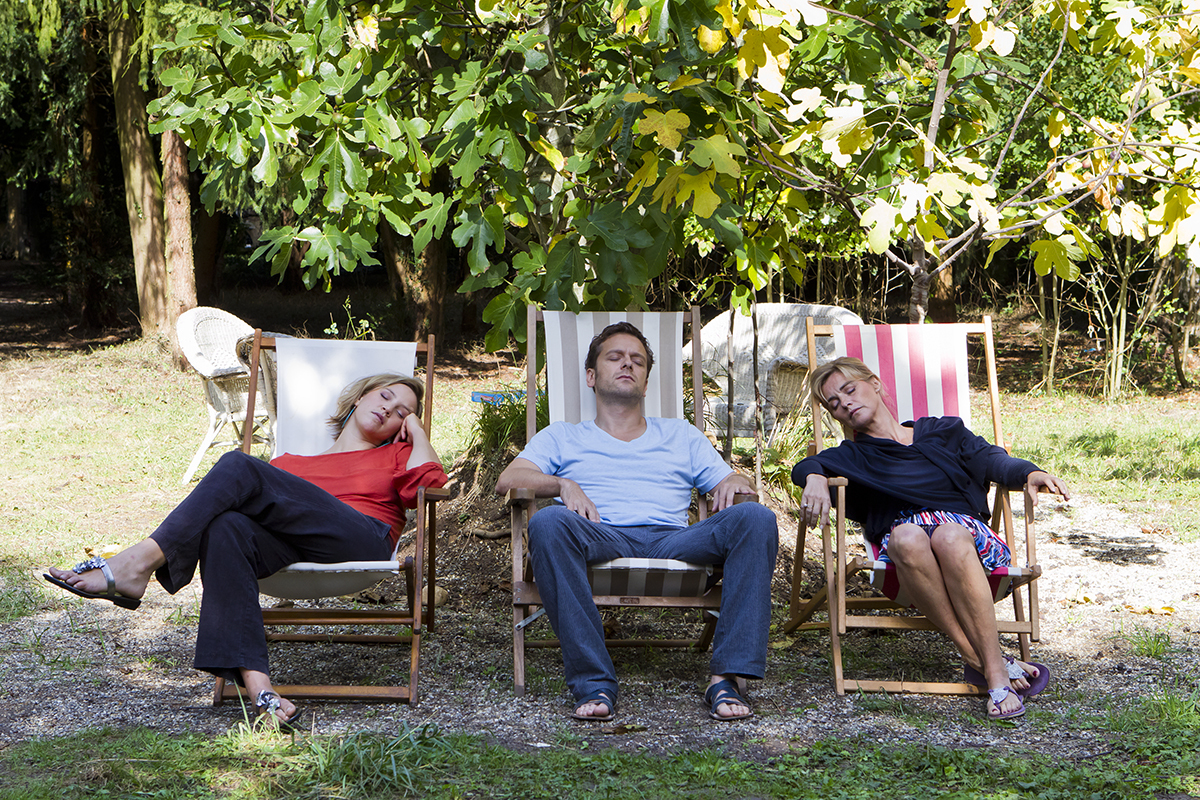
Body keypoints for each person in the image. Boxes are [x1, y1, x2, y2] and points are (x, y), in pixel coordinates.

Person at [45, 373, 447, 730]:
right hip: (298, 547)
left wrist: (416, 429)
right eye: (386, 397)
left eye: (402, 412)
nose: (390, 409)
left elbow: (428, 486)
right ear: (360, 397)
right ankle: (260, 689)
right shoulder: (289, 464)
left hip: (362, 538)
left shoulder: (398, 455)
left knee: (239, 465)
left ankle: (136, 564)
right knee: (227, 527)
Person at [494, 322, 779, 722]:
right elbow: (509, 479)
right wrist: (562, 483)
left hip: (673, 541)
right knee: (549, 522)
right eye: (615, 357)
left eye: (638, 361)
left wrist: (735, 480)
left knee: (755, 517)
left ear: (645, 383)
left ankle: (726, 677)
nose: (627, 364)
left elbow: (731, 482)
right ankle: (593, 680)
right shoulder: (562, 436)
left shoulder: (681, 435)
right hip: (599, 535)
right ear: (591, 377)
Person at [791, 357, 1071, 721]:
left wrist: (1029, 473)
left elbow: (991, 459)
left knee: (949, 536)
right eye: (834, 403)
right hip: (907, 553)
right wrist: (814, 477)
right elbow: (807, 465)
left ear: (874, 383)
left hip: (966, 538)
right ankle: (985, 663)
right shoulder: (853, 456)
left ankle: (989, 668)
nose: (844, 402)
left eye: (849, 389)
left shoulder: (943, 430)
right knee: (906, 536)